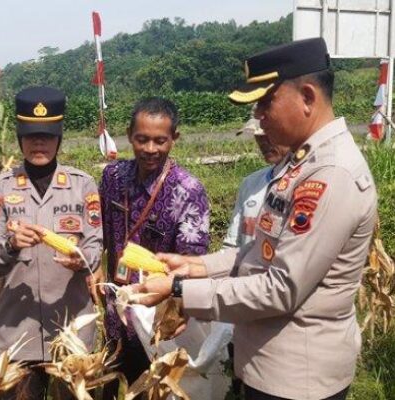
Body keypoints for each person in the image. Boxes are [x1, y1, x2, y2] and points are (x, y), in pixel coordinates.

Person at [134, 38, 377, 400]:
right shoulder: (298, 165)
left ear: (307, 97)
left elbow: (280, 288)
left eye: (265, 102)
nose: (258, 116)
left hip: (296, 379)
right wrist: (194, 266)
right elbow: (259, 253)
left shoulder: (331, 175)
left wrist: (179, 290)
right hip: (268, 367)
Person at [0, 86, 102, 399]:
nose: (39, 142)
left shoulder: (82, 185)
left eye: (47, 135)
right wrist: (11, 245)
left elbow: (94, 246)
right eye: (31, 135)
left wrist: (83, 261)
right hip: (16, 336)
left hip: (70, 333)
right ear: (19, 136)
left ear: (59, 137)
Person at [98, 97, 212, 397]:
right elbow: (98, 234)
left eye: (160, 141)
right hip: (115, 314)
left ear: (175, 137)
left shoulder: (188, 191)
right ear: (128, 135)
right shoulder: (112, 178)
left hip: (157, 324)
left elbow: (191, 264)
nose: (150, 149)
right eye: (142, 139)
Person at [223, 116, 290, 248]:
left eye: (267, 135)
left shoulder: (303, 182)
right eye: (257, 136)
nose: (262, 143)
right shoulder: (250, 183)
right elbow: (232, 243)